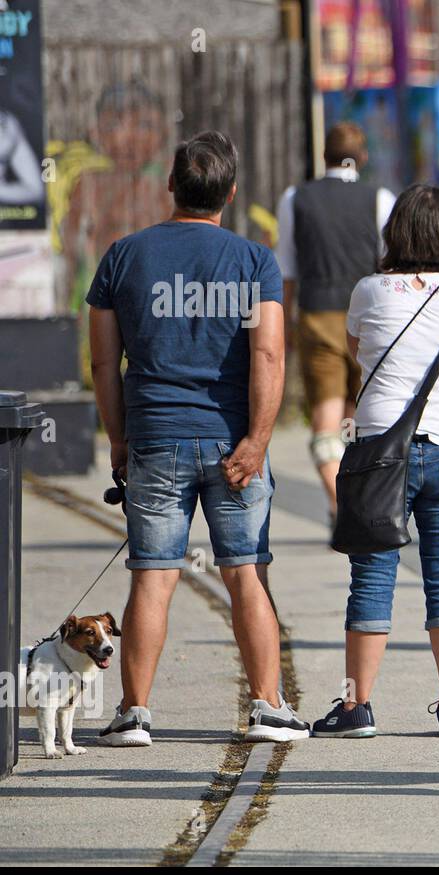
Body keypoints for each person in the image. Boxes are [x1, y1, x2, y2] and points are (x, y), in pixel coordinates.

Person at [87, 130, 309, 744]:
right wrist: (259, 440)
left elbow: (105, 363)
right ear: (231, 193)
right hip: (234, 442)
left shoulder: (122, 257)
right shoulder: (254, 261)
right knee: (244, 571)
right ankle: (267, 707)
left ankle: (134, 714)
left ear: (170, 186)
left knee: (153, 576)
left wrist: (118, 439)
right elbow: (268, 354)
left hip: (154, 435)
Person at [310, 185, 439, 739]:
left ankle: (356, 707)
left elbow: (355, 349)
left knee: (370, 576)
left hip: (378, 454)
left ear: (396, 233)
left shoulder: (368, 290)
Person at [275, 122, 396, 525]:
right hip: (370, 322)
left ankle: (339, 503)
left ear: (322, 157)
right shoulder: (380, 199)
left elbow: (287, 270)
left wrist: (284, 326)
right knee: (360, 420)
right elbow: (390, 266)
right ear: (361, 158)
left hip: (316, 317)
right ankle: (352, 506)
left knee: (328, 428)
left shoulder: (296, 199)